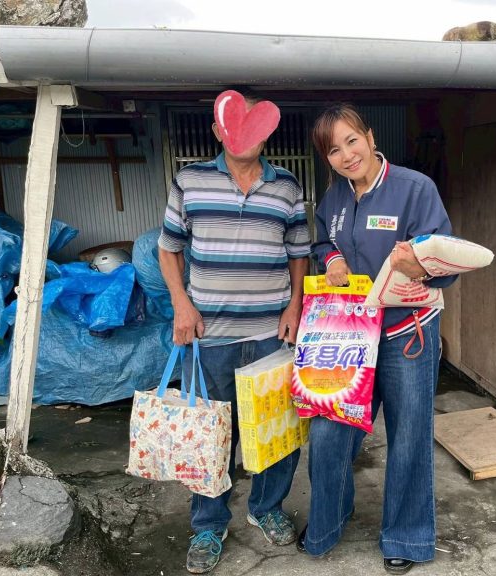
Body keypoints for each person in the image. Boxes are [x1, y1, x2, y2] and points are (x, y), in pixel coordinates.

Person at [298, 103, 456, 574]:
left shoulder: (414, 189)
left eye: (352, 141)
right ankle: (327, 521)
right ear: (326, 159)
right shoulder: (335, 198)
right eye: (334, 150)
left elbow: (446, 263)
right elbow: (323, 241)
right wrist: (331, 259)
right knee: (328, 430)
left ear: (369, 137)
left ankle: (406, 536)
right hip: (348, 334)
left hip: (406, 333)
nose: (347, 155)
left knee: (408, 435)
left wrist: (419, 265)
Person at [158, 91, 310, 574]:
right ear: (217, 132)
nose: (243, 138)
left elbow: (298, 253)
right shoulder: (190, 180)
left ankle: (266, 507)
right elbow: (168, 248)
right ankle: (208, 524)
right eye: (233, 128)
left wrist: (295, 306)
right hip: (210, 335)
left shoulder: (286, 186)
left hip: (270, 334)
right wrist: (181, 304)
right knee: (211, 435)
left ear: (266, 134)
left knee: (277, 432)